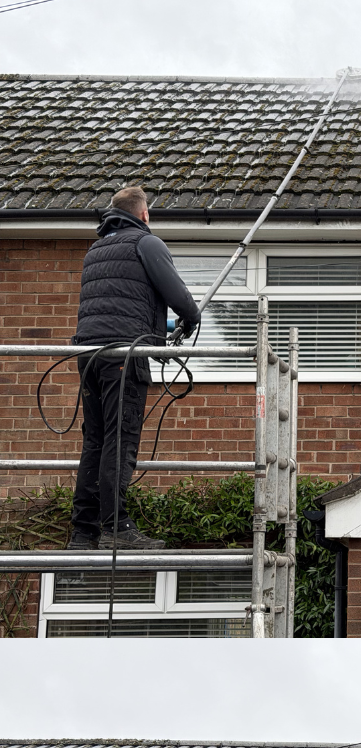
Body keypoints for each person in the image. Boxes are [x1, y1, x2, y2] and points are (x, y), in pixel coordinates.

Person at [69, 185, 200, 550]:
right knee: (120, 438)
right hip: (125, 357)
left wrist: (162, 329)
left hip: (89, 356)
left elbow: (120, 306)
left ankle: (83, 531)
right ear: (143, 214)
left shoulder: (97, 250)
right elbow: (178, 296)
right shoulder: (147, 243)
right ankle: (116, 527)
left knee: (94, 440)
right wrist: (190, 318)